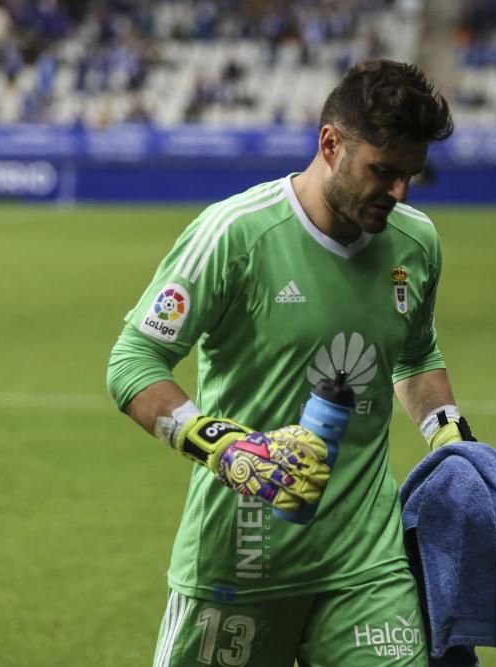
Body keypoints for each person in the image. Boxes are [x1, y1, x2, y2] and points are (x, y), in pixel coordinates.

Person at [106, 59, 473, 666]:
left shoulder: (417, 243)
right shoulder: (234, 234)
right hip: (241, 558)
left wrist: (450, 437)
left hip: (365, 560)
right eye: (384, 171)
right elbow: (134, 359)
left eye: (412, 175)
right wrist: (224, 446)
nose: (399, 193)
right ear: (330, 144)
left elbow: (415, 353)